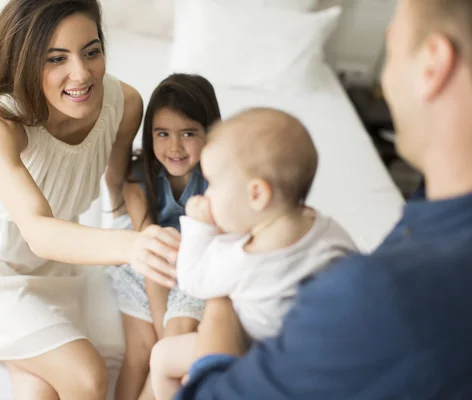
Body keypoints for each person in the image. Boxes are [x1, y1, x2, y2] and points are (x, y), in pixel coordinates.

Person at [174, 0, 472, 398]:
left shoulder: (379, 296)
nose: (385, 76)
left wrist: (221, 301)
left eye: (394, 42)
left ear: (432, 66)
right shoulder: (430, 215)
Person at [0, 1, 179, 399]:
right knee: (87, 374)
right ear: (23, 61)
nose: (81, 74)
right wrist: (131, 247)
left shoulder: (124, 104)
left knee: (39, 385)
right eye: (55, 59)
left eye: (92, 51)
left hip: (56, 266)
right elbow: (39, 230)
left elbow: (118, 188)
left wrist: (147, 238)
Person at [149, 108, 358, 400]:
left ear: (257, 195)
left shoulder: (243, 258)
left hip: (255, 356)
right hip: (308, 358)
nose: (207, 195)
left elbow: (191, 278)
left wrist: (198, 224)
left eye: (214, 184)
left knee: (161, 357)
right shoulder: (323, 227)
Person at [108, 73, 222, 400]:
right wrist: (160, 335)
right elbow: (150, 254)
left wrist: (167, 343)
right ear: (150, 135)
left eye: (188, 133)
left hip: (194, 266)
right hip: (146, 266)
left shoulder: (218, 182)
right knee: (142, 352)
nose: (174, 146)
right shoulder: (138, 179)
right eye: (163, 134)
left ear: (209, 133)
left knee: (176, 337)